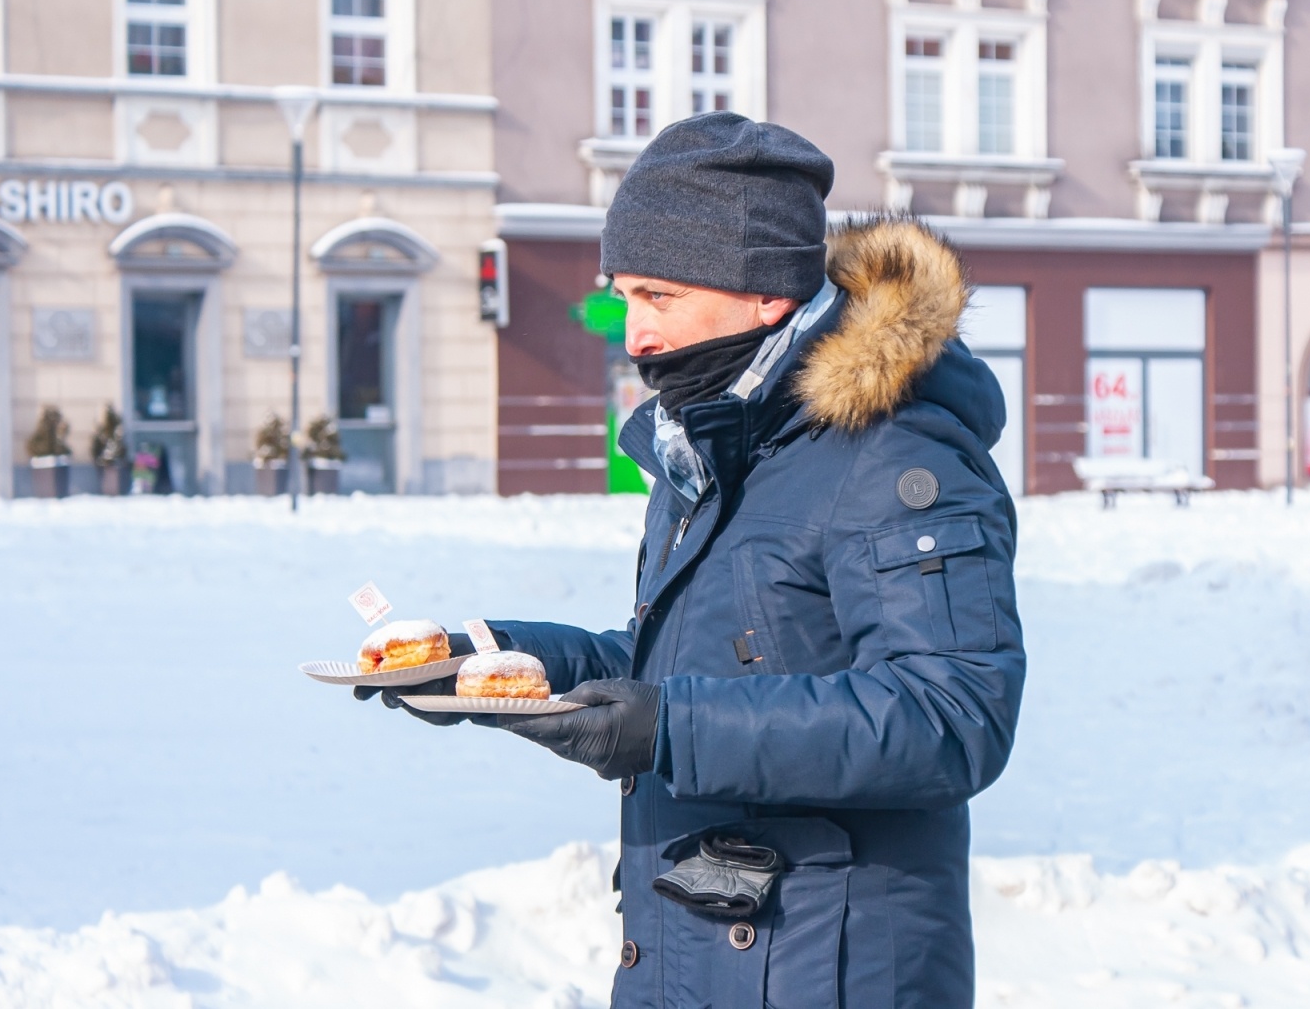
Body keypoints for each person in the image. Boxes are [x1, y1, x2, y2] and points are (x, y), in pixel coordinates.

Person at [357, 113, 1026, 1008]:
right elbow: (704, 667)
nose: (633, 337)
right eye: (624, 297)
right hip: (695, 957)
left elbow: (951, 717)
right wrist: (502, 659)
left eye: (658, 298)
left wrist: (668, 730)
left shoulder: (899, 455)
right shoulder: (723, 437)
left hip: (827, 972)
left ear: (764, 296)